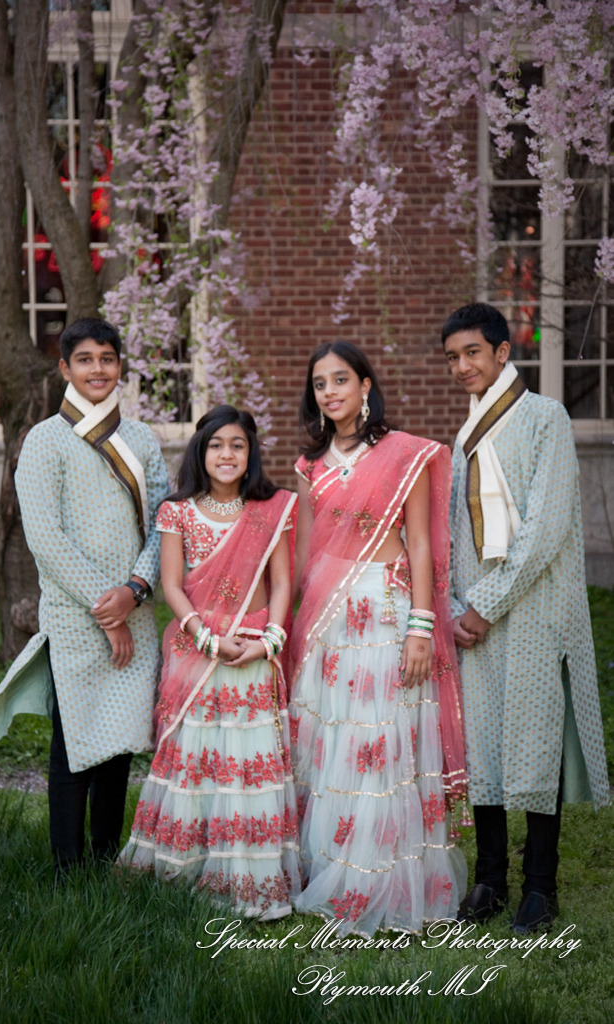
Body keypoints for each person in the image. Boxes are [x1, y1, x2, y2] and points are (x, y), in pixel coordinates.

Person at [289, 341, 467, 937]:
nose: (330, 392)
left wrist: (422, 626)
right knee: (334, 740)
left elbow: (421, 545)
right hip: (330, 621)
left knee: (382, 741)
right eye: (320, 384)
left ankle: (386, 882)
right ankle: (335, 869)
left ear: (366, 385)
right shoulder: (310, 466)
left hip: (386, 614)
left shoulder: (402, 455)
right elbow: (306, 554)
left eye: (341, 379)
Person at [442, 302, 610, 934]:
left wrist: (487, 604)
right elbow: (454, 530)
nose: (462, 366)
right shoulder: (463, 435)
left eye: (472, 353)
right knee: (483, 742)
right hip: (474, 611)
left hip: (535, 603)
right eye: (452, 357)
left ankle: (541, 886)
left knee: (537, 740)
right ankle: (490, 879)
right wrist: (459, 605)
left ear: (502, 352)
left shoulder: (545, 417)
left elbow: (545, 527)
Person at [0, 318, 169, 878]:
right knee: (75, 740)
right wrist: (106, 609)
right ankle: (67, 868)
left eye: (107, 358)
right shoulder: (44, 440)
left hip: (135, 608)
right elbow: (45, 537)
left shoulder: (141, 439)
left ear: (120, 366)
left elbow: (164, 525)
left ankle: (106, 857)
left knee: (120, 739)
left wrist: (135, 591)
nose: (97, 369)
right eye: (84, 359)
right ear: (65, 368)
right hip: (74, 615)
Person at [119, 405, 301, 920]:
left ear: (251, 453)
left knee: (246, 760)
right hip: (197, 651)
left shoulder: (271, 509)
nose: (227, 454)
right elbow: (172, 586)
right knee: (197, 757)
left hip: (253, 646)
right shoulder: (177, 511)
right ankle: (186, 868)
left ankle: (250, 876)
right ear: (200, 451)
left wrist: (269, 641)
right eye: (216, 444)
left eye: (237, 445)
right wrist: (207, 639)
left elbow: (282, 584)